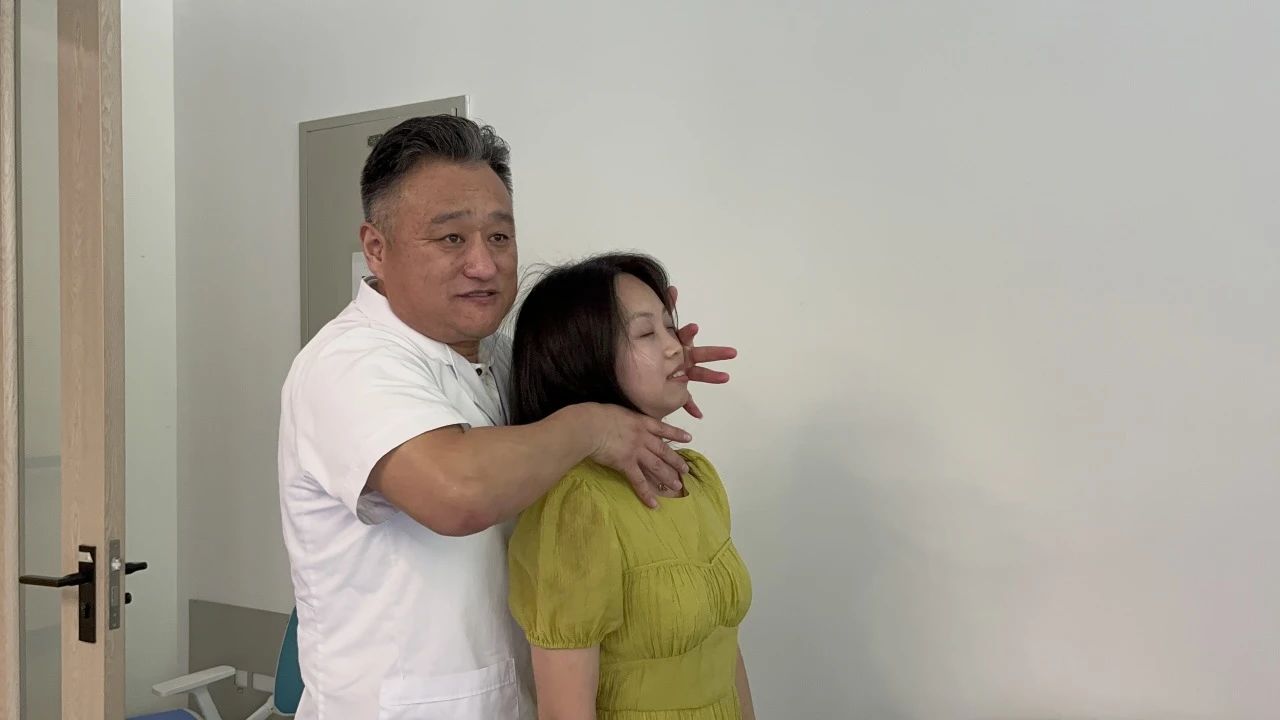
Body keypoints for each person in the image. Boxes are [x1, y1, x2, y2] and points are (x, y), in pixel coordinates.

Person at [277, 115, 736, 720]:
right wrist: (595, 425)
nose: (484, 264)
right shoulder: (347, 364)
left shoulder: (494, 352)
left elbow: (552, 426)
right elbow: (457, 492)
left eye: (499, 236)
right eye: (451, 239)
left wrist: (648, 367)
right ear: (377, 248)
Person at [507, 253, 756, 720]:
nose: (675, 347)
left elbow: (727, 656)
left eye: (669, 326)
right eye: (646, 334)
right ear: (584, 360)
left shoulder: (697, 477)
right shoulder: (578, 505)